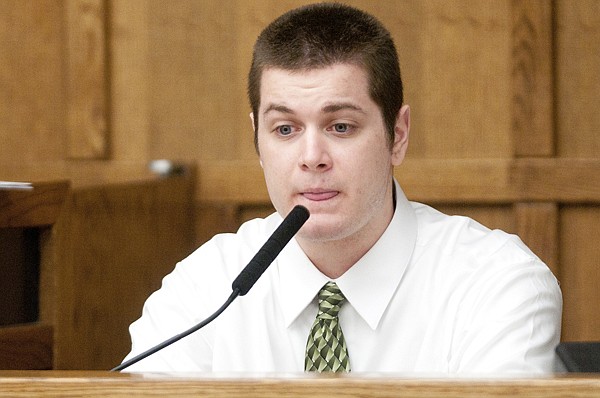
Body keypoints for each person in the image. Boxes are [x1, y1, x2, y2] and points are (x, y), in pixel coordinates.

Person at [122, 3, 562, 373]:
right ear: (257, 138)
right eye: (285, 129)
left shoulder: (495, 285)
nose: (312, 156)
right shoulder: (204, 290)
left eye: (341, 126)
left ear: (398, 134)